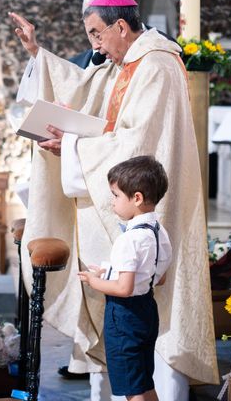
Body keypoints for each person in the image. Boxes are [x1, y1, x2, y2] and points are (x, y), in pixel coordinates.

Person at [9, 0, 218, 400]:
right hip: (122, 215)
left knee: (146, 334)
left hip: (147, 210)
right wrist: (38, 54)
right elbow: (83, 89)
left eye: (96, 34)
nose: (95, 46)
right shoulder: (125, 62)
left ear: (121, 26)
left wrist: (70, 146)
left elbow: (138, 141)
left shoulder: (156, 64)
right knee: (118, 338)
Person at [78, 155, 172, 401]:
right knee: (143, 381)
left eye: (116, 195)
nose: (112, 202)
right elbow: (157, 278)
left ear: (137, 198)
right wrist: (107, 271)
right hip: (147, 312)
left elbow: (123, 288)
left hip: (124, 317)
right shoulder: (160, 232)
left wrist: (92, 280)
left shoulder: (129, 239)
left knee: (132, 388)